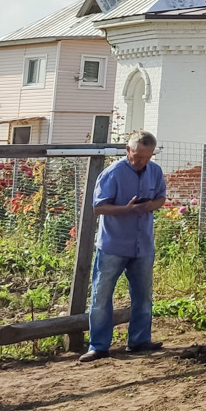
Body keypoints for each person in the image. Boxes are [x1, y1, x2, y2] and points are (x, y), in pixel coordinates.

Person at [79, 130, 167, 362]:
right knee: (101, 295)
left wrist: (150, 206)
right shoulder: (112, 173)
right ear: (128, 150)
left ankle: (139, 341)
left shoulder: (155, 171)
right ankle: (98, 346)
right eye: (138, 156)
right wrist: (126, 210)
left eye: (147, 157)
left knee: (143, 295)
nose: (142, 162)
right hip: (113, 245)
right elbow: (98, 207)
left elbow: (161, 198)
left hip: (143, 245)